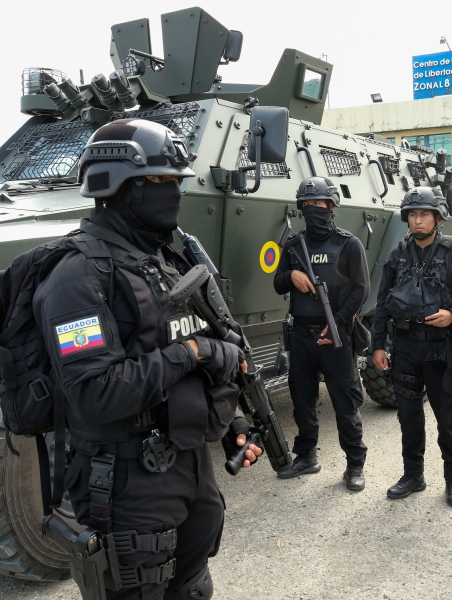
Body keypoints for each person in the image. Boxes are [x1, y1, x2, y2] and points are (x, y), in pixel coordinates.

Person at [32, 119, 262, 600]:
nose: (175, 193)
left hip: (185, 462)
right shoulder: (76, 278)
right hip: (125, 479)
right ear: (120, 188)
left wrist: (233, 418)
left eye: (176, 182)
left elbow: (191, 349)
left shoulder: (161, 261)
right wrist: (193, 352)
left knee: (192, 587)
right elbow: (96, 393)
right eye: (162, 182)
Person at [372, 187, 452, 508]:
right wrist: (377, 346)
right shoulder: (396, 255)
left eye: (424, 214)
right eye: (412, 214)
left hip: (442, 349)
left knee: (448, 419)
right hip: (405, 348)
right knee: (408, 418)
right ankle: (413, 475)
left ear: (437, 218)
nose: (417, 221)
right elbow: (381, 305)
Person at [273, 176, 370, 489]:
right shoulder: (293, 245)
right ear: (301, 208)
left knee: (345, 402)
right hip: (301, 334)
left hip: (336, 335)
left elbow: (362, 289)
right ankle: (306, 457)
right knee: (302, 400)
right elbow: (277, 284)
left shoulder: (348, 243)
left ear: (332, 206)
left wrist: (339, 320)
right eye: (308, 205)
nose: (314, 209)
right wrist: (292, 275)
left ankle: (355, 466)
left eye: (320, 204)